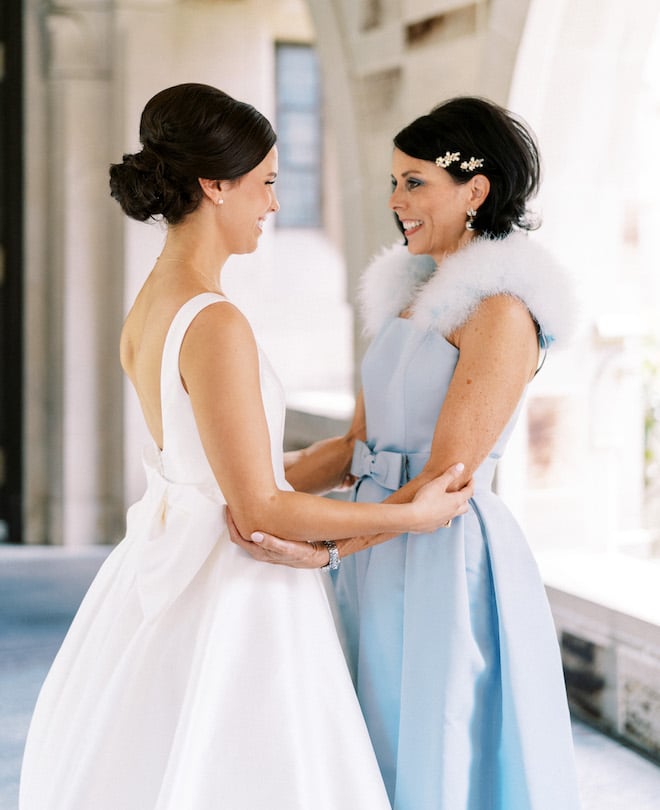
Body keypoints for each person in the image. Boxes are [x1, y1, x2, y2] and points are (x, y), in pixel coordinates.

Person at [18, 83, 473, 810]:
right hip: (235, 583)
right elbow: (260, 503)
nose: (271, 204)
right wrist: (408, 517)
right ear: (214, 185)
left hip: (169, 562)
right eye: (264, 183)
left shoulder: (152, 303)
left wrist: (356, 447)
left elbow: (233, 469)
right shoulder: (215, 322)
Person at [228, 97, 583, 809]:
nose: (396, 202)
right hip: (372, 538)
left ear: (474, 191)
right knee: (363, 734)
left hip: (439, 552)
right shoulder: (408, 297)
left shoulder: (501, 313)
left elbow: (443, 479)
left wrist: (327, 547)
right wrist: (241, 488)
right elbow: (355, 444)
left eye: (414, 182)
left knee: (434, 738)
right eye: (395, 182)